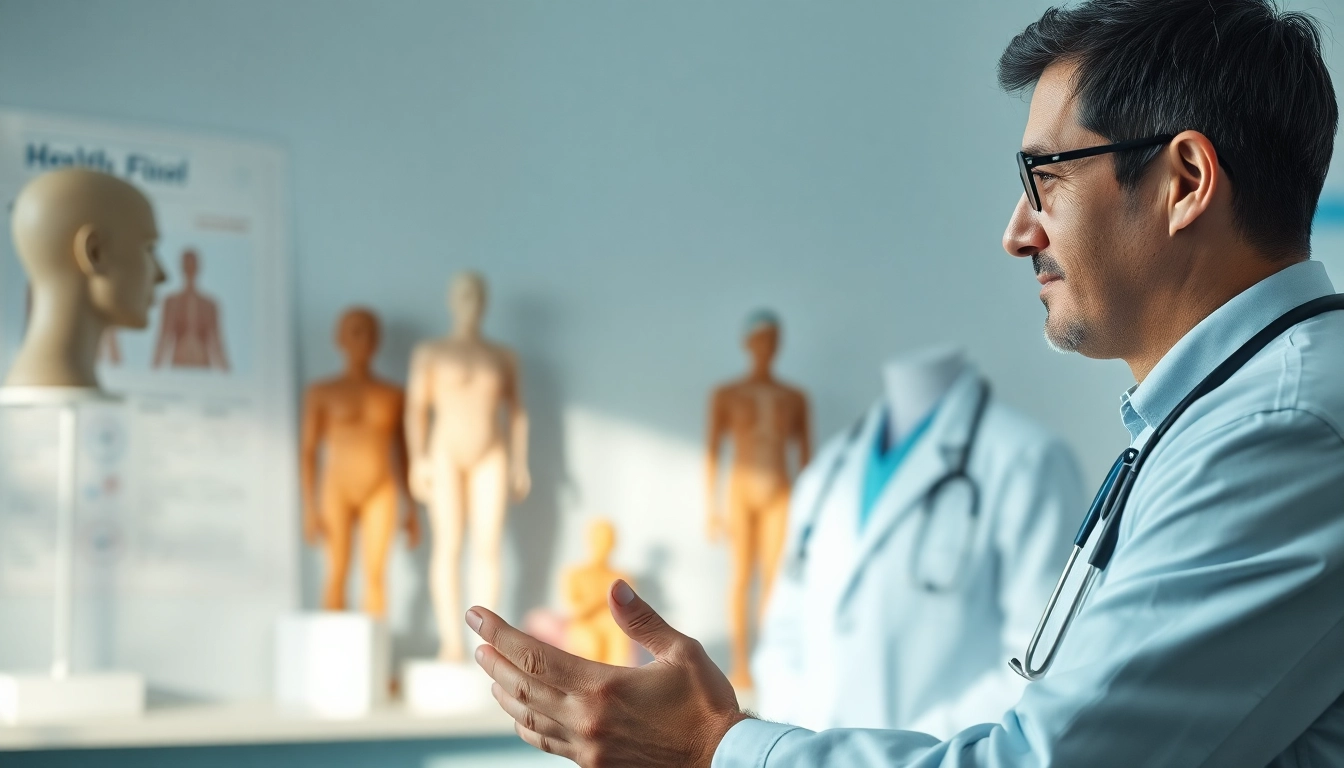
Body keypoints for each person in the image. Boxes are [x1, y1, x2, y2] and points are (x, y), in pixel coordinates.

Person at [464, 1, 1344, 766]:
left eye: (1046, 177)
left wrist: (712, 748)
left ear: (1184, 181)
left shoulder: (1283, 430)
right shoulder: (1220, 418)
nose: (1017, 232)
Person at [753, 346, 1082, 736]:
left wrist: (908, 756)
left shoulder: (1028, 460)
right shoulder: (829, 468)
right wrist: (801, 739)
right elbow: (782, 636)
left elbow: (1041, 664)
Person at [705, 309, 811, 689]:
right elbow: (713, 450)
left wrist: (810, 508)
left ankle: (768, 660)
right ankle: (739, 662)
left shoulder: (794, 397)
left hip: (780, 490)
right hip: (741, 489)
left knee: (774, 578)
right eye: (761, 339)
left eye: (774, 340)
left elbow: (807, 457)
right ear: (747, 343)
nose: (767, 348)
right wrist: (711, 508)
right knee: (740, 576)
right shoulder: (727, 394)